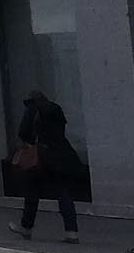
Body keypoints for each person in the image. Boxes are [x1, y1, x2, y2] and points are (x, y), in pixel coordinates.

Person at [12, 90, 85, 242]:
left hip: (41, 157)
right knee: (63, 193)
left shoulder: (33, 109)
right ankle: (72, 231)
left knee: (32, 192)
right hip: (61, 156)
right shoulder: (56, 108)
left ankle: (26, 227)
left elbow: (24, 132)